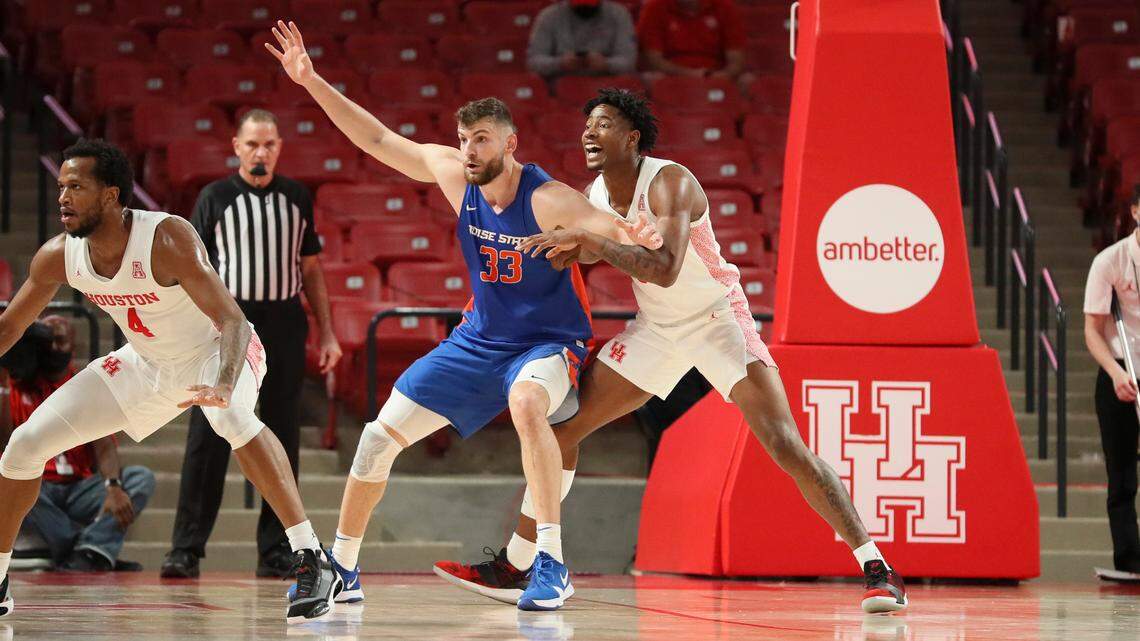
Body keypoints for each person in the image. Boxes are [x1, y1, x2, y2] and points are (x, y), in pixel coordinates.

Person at [432, 89, 910, 614]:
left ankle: (877, 567)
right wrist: (529, 271)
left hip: (716, 321)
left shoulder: (670, 181)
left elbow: (664, 268)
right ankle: (519, 562)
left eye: (604, 124)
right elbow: (583, 253)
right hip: (657, 329)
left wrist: (590, 242)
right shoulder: (593, 193)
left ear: (631, 137)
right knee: (561, 429)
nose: (589, 133)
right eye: (587, 124)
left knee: (784, 444)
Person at [265, 21, 660, 611]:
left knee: (528, 404)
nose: (469, 149)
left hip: (549, 342)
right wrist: (313, 80)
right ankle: (343, 568)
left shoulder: (547, 199)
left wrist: (638, 230)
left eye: (480, 138)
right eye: (463, 138)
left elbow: (612, 233)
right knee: (375, 441)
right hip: (479, 340)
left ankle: (550, 563)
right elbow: (375, 139)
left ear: (509, 144)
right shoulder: (456, 177)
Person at [0, 139, 338, 623]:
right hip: (147, 364)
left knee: (230, 416)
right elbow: (10, 328)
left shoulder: (167, 238)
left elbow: (234, 322)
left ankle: (312, 558)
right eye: (61, 186)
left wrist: (223, 383)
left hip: (219, 352)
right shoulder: (58, 256)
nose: (63, 197)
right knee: (23, 445)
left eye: (76, 186)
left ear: (112, 196)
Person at [162, 108, 342, 580]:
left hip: (284, 321)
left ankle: (277, 549)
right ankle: (185, 548)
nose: (261, 152)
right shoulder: (214, 197)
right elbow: (191, 270)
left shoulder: (297, 198)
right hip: (229, 323)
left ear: (279, 147)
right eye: (252, 144)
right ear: (236, 147)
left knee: (280, 434)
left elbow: (312, 270)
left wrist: (326, 330)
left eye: (269, 144)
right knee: (209, 434)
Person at [0, 316, 155, 572]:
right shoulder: (17, 385)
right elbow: (5, 445)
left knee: (141, 478)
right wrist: (4, 385)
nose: (51, 348)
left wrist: (113, 486)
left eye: (59, 341)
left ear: (73, 347)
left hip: (79, 488)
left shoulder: (84, 386)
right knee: (11, 484)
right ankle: (90, 550)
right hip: (40, 488)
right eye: (47, 342)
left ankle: (78, 550)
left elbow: (104, 445)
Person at [1083, 185, 1140, 577]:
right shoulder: (1111, 261)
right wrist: (1116, 372)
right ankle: (1130, 559)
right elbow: (1092, 329)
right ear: (1136, 211)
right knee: (1121, 474)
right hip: (1120, 371)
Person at [526, 0, 638, 81]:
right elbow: (534, 61)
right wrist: (560, 63)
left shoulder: (619, 14)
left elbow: (628, 61)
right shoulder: (549, 16)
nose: (585, 8)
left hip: (608, 84)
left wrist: (606, 64)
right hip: (560, 86)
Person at [636, 0, 746, 81]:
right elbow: (653, 60)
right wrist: (689, 74)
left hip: (715, 74)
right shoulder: (654, 7)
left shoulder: (725, 7)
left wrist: (723, 75)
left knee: (746, 81)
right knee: (650, 79)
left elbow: (736, 60)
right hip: (670, 75)